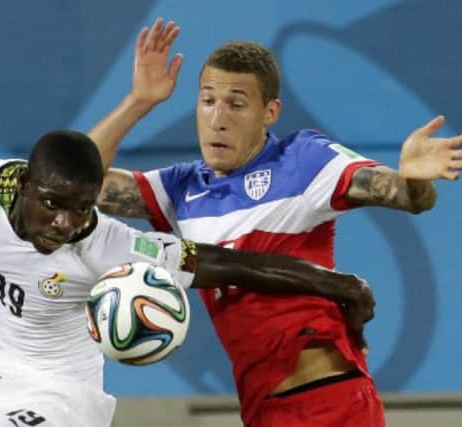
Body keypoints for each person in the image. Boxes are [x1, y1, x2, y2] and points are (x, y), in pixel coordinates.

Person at [0, 130, 374, 427]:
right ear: (26, 184)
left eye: (81, 208)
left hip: (67, 401)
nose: (65, 223)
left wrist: (333, 282)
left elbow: (224, 262)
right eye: (53, 204)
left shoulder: (108, 244)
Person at [89, 18, 462, 427]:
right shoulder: (181, 189)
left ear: (270, 111)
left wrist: (414, 180)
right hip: (261, 408)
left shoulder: (302, 160)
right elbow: (83, 183)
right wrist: (139, 102)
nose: (217, 119)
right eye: (208, 100)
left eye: (236, 103)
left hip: (325, 403)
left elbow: (404, 196)